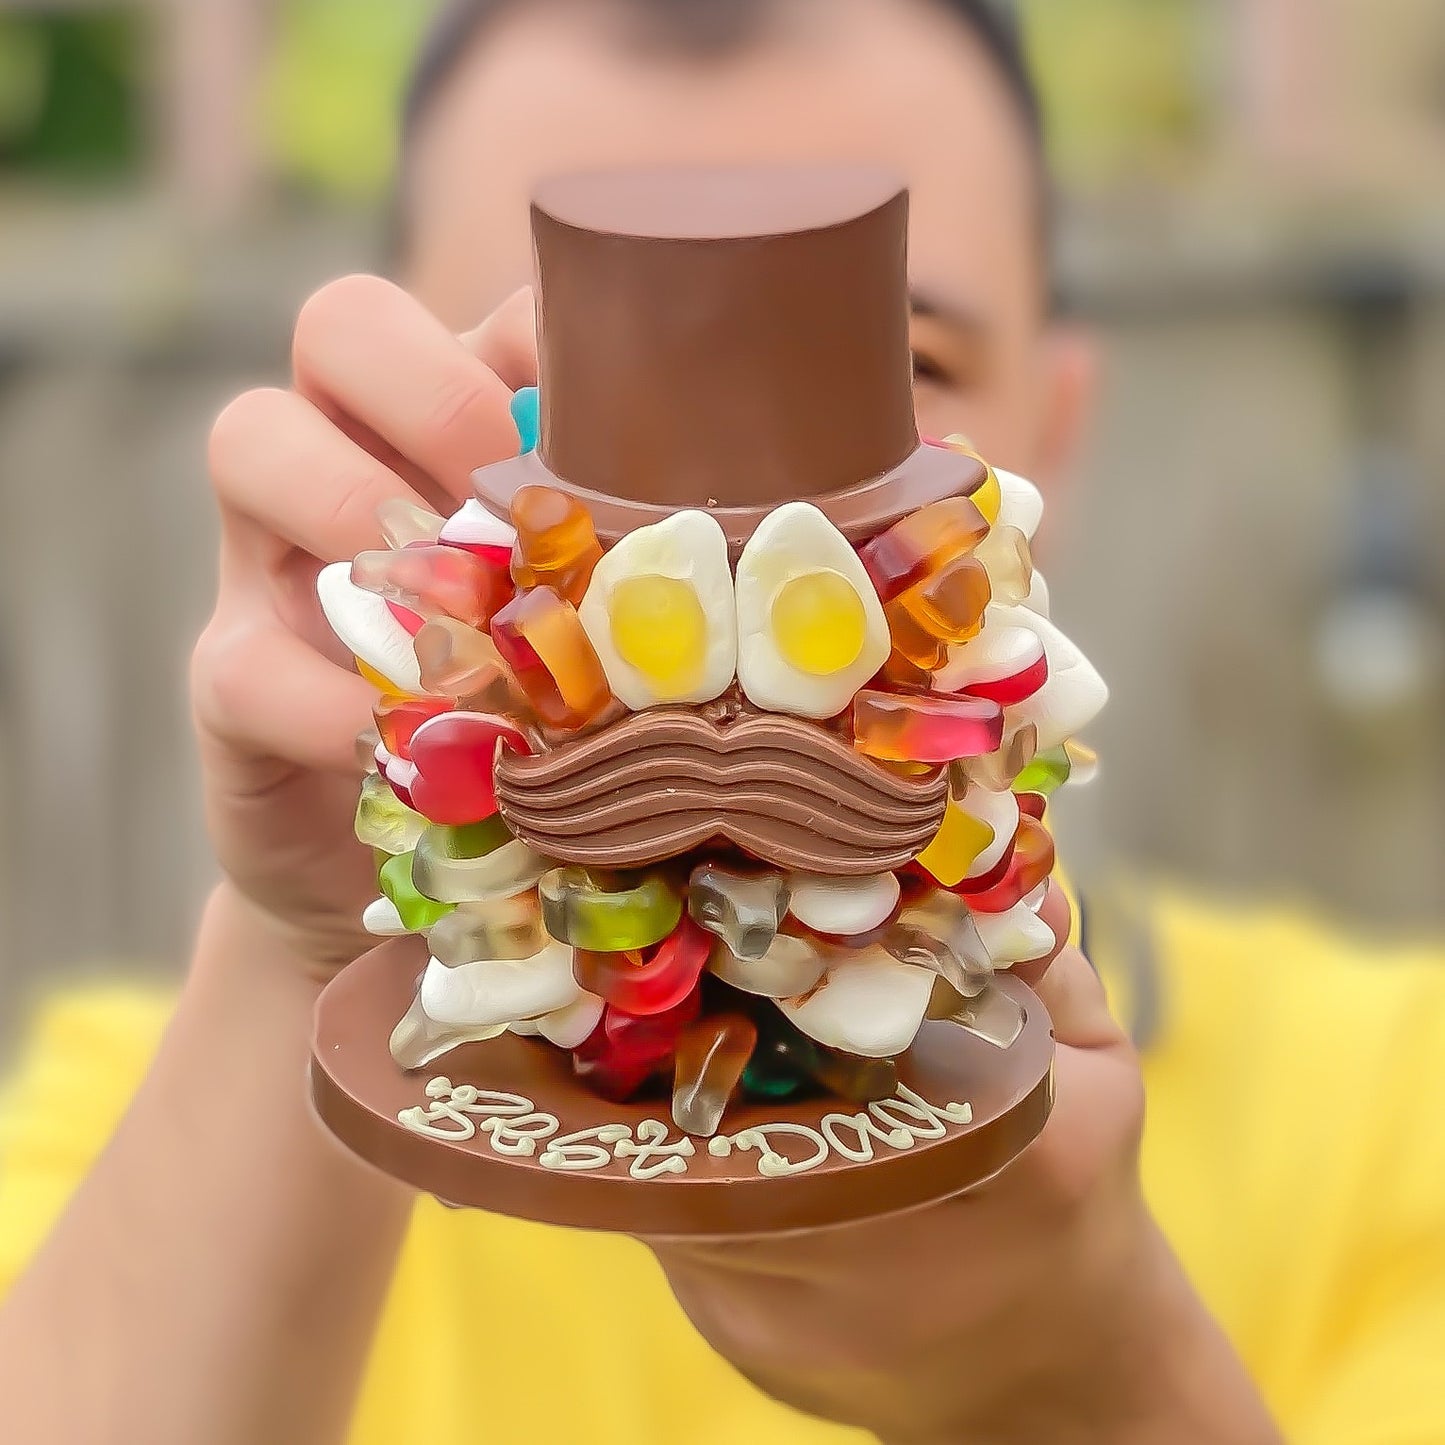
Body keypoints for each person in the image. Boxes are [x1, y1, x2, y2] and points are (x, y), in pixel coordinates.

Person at [1, 1, 1442, 1441]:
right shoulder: (134, 1104)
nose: (722, 526)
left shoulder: (1387, 1103)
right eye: (566, 404)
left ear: (1053, 429)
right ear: (407, 440)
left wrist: (1087, 1383)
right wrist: (307, 944)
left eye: (888, 378)